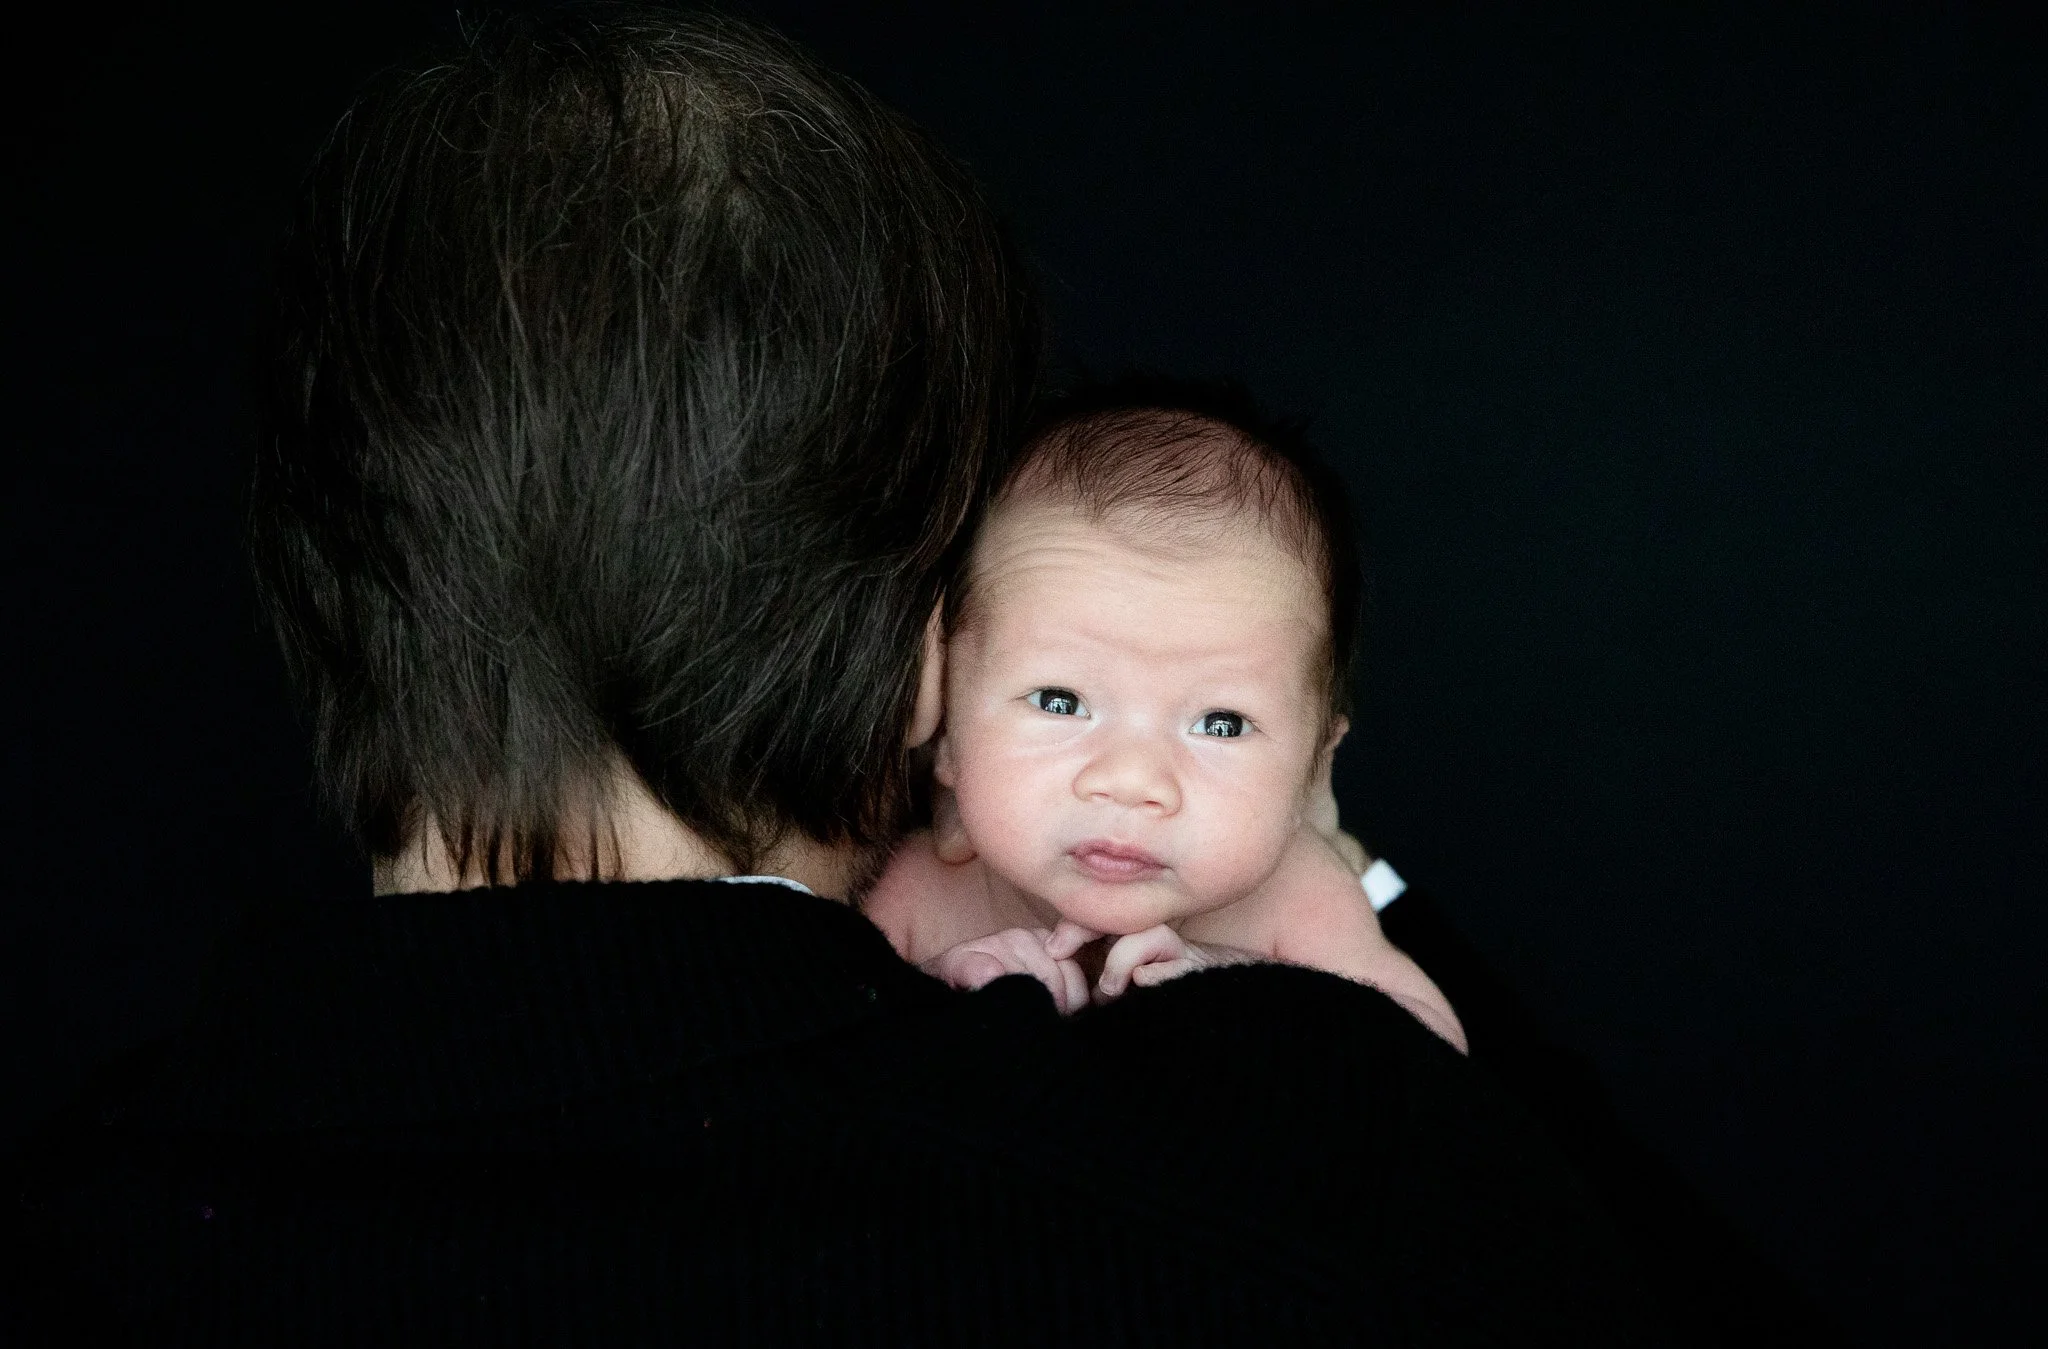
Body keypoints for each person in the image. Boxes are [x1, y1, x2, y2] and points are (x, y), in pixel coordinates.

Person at [6, 8, 1668, 1344]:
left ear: (311, 567)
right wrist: (1305, 839)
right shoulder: (1298, 1174)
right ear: (915, 634)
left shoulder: (85, 1215)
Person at [864, 380, 1466, 1050]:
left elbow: (1436, 1060)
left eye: (1221, 723)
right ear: (946, 731)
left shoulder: (1300, 899)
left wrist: (1248, 984)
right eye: (1060, 701)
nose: (1132, 780)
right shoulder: (920, 890)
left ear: (1311, 769)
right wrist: (935, 984)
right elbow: (814, 1056)